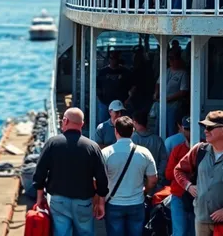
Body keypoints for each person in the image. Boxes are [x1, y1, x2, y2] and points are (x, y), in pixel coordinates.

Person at [33, 107, 108, 236]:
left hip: (59, 200)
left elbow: (40, 172)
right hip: (84, 202)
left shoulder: (52, 143)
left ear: (65, 121)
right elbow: (102, 178)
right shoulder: (92, 147)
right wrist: (100, 202)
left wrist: (40, 197)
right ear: (82, 124)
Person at [102, 116, 158, 236]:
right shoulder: (144, 153)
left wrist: (100, 201)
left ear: (115, 131)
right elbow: (153, 180)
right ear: (133, 131)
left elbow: (99, 180)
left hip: (113, 203)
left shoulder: (106, 153)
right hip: (137, 203)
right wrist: (144, 191)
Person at [175, 111, 223, 236]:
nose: (205, 131)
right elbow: (178, 170)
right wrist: (188, 186)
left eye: (210, 127)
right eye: (205, 127)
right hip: (201, 218)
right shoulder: (199, 150)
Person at [165, 117, 195, 236]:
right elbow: (168, 174)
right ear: (182, 129)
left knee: (196, 232)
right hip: (179, 194)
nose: (190, 132)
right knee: (179, 233)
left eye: (192, 129)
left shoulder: (206, 148)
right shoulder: (178, 149)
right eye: (187, 129)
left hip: (199, 195)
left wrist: (183, 171)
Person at [154, 53, 190, 137]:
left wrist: (168, 98)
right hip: (161, 104)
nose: (171, 61)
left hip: (174, 105)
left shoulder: (183, 73)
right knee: (158, 127)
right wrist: (156, 92)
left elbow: (183, 91)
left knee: (171, 128)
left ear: (179, 60)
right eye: (170, 59)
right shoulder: (166, 70)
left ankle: (171, 147)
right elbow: (158, 83)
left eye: (174, 59)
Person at [132, 109, 168, 184]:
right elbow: (164, 160)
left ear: (134, 122)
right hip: (154, 181)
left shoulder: (131, 139)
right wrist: (158, 175)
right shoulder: (158, 140)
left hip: (135, 182)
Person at [96, 51, 132, 125]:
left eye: (116, 58)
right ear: (109, 59)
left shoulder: (126, 72)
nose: (114, 60)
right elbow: (96, 87)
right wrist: (99, 99)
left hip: (121, 104)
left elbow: (133, 87)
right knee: (103, 124)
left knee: (123, 125)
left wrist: (127, 100)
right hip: (105, 103)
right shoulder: (102, 72)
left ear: (119, 59)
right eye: (112, 58)